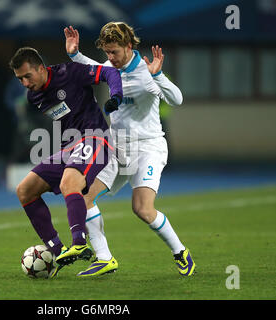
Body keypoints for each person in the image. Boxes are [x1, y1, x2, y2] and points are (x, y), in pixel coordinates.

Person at [64, 22, 195, 277]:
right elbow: (94, 66)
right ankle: (104, 258)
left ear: (129, 46)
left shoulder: (148, 73)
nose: (110, 58)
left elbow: (177, 99)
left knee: (142, 209)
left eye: (114, 52)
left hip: (148, 147)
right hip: (117, 145)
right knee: (83, 196)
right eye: (107, 53)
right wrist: (74, 55)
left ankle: (180, 252)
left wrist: (158, 76)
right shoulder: (111, 67)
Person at [9, 47, 123, 277]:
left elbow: (110, 74)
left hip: (95, 137)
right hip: (69, 148)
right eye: (19, 79)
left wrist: (116, 96)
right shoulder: (34, 96)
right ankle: (58, 251)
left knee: (69, 184)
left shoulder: (70, 73)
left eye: (27, 76)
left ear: (41, 68)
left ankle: (79, 243)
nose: (24, 83)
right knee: (25, 190)